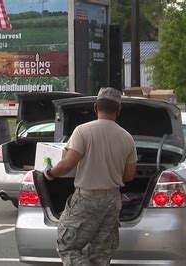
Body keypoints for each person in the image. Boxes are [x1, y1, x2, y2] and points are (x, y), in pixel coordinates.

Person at [43, 87, 137, 265]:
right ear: (118, 110)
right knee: (100, 254)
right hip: (113, 201)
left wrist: (49, 173)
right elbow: (130, 175)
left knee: (67, 246)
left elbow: (67, 164)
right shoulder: (127, 138)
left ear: (95, 107)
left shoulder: (83, 131)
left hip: (87, 199)